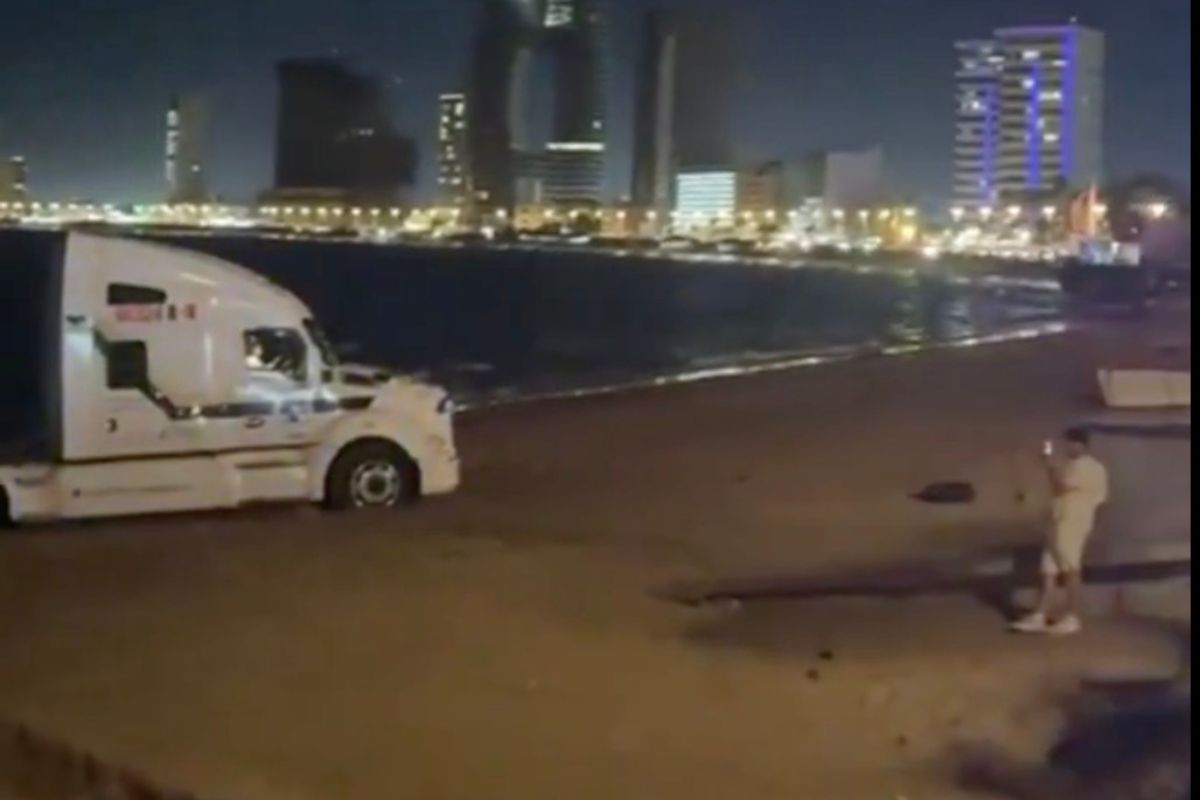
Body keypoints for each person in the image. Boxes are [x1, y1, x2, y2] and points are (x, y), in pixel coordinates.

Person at [1011, 427, 1109, 636]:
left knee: (1070, 568)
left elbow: (1060, 484)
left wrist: (1047, 463)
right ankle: (1040, 614)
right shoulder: (1076, 466)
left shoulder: (1087, 467)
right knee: (1048, 569)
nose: (1068, 447)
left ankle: (1073, 616)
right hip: (1059, 520)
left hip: (1072, 523)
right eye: (1067, 443)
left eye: (1071, 443)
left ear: (1081, 444)